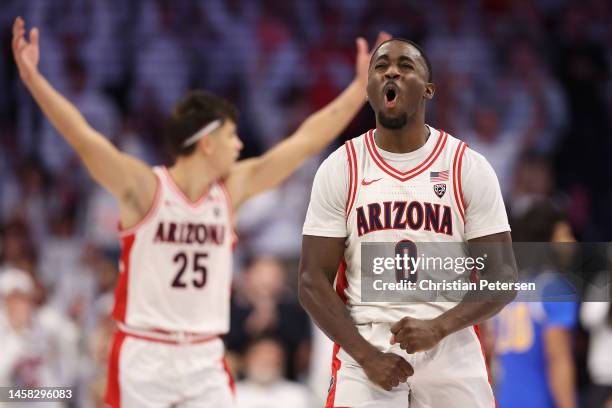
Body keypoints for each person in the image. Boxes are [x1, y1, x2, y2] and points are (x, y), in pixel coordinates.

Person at [12, 16, 390, 407]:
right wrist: (34, 79)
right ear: (206, 142)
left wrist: (357, 90)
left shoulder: (231, 190)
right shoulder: (145, 188)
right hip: (146, 351)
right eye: (231, 136)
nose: (240, 145)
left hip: (204, 354)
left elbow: (304, 141)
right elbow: (82, 136)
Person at [299, 38, 517, 407]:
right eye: (381, 67)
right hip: (367, 343)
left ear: (429, 90)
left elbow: (503, 277)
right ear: (369, 89)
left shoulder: (467, 165)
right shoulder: (341, 167)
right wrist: (367, 356)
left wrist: (439, 326)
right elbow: (310, 281)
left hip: (451, 338)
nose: (392, 72)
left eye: (406, 65)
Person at [494, 200, 578, 408]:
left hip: (505, 400)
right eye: (564, 235)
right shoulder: (555, 289)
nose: (573, 243)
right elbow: (558, 360)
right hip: (541, 401)